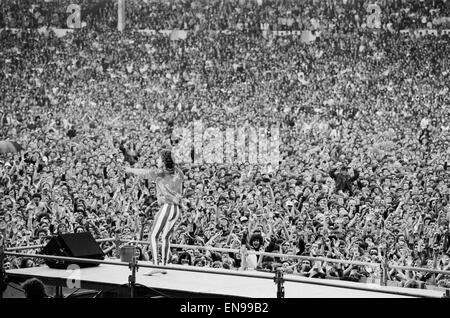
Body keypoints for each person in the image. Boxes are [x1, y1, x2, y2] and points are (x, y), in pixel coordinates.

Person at [124, 150, 184, 265]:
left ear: (164, 161)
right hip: (176, 210)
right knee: (165, 238)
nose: (157, 160)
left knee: (153, 236)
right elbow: (180, 193)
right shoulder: (179, 172)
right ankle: (165, 265)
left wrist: (129, 169)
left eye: (159, 159)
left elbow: (144, 172)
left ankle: (156, 264)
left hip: (168, 207)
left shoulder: (160, 172)